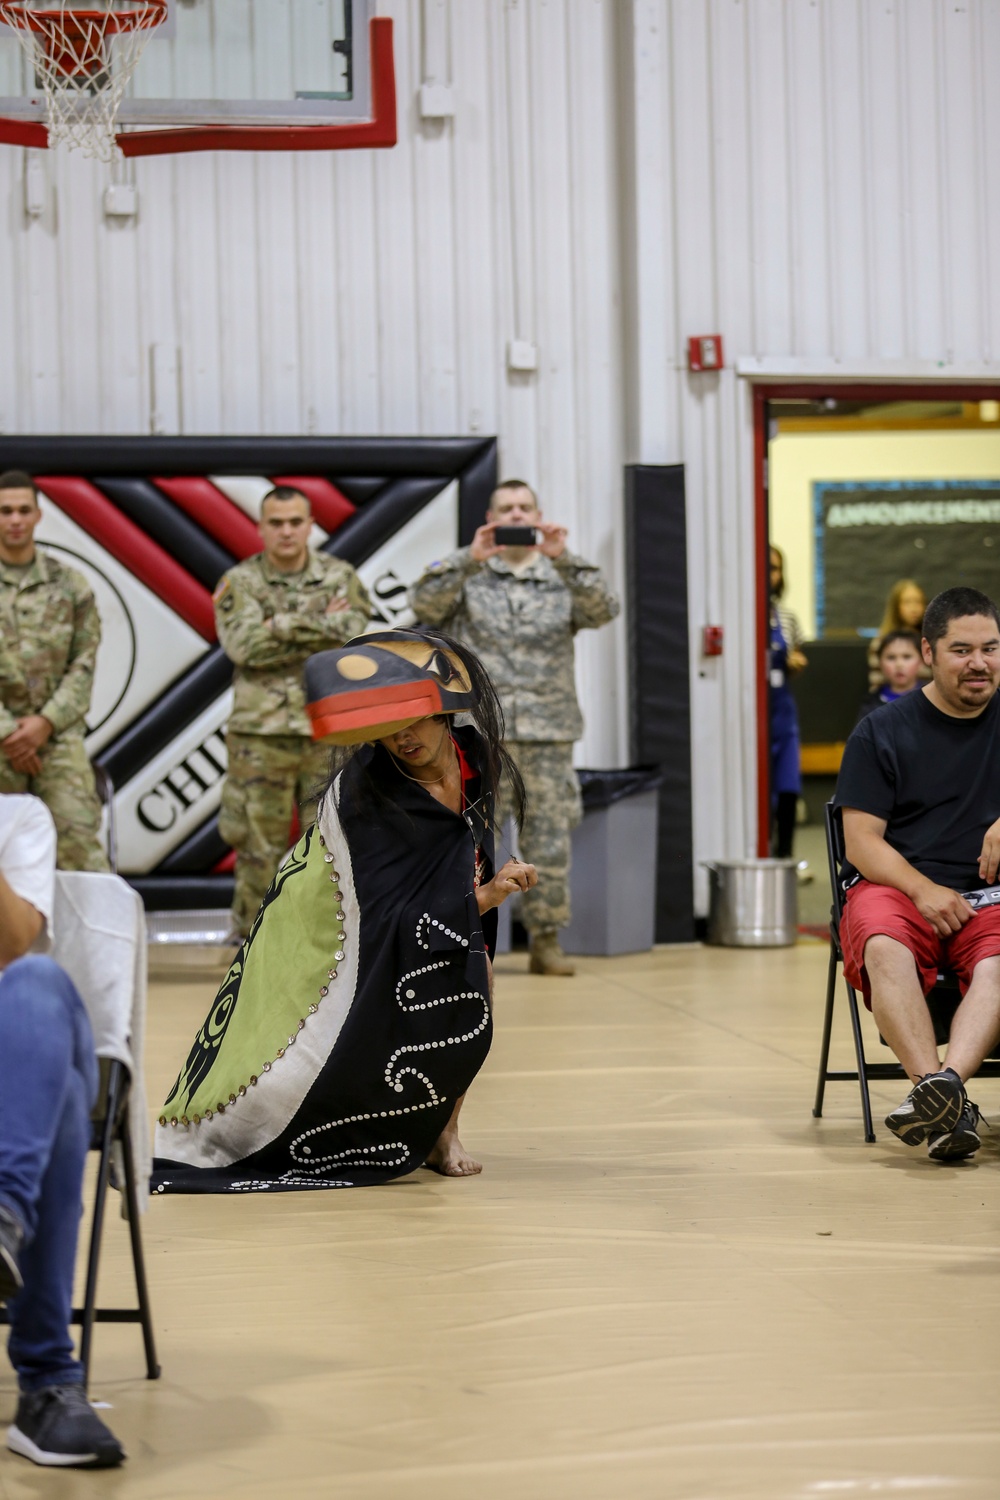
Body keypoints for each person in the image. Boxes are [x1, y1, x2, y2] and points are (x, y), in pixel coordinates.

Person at [152, 629, 536, 1191]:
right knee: (311, 1048)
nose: (403, 737)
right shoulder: (364, 793)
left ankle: (444, 1132)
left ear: (443, 712)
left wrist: (488, 881)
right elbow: (383, 911)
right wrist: (487, 896)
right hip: (327, 923)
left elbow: (462, 844)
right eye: (387, 727)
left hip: (453, 903)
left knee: (472, 994)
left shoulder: (474, 757)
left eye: (415, 720)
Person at [409, 479, 619, 976]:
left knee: (548, 836)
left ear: (539, 516)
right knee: (468, 833)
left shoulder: (561, 576)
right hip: (481, 730)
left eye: (526, 507)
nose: (517, 515)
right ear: (491, 518)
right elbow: (424, 605)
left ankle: (546, 938)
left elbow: (605, 607)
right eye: (507, 508)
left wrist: (564, 556)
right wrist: (469, 557)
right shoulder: (470, 575)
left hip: (548, 730)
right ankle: (460, 929)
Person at [835, 586, 1000, 1162]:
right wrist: (922, 889)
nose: (979, 663)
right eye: (962, 650)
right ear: (928, 653)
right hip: (896, 887)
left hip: (991, 897)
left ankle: (943, 1095)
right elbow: (861, 843)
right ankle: (941, 1092)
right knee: (883, 946)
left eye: (991, 648)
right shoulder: (881, 732)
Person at [0, 793, 124, 1467]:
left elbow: (13, 945)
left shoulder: (20, 818)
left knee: (40, 983)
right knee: (69, 1093)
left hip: (11, 1052)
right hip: (39, 1097)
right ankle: (48, 1385)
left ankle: (3, 1213)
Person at [214, 486, 372, 938]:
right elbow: (244, 647)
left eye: (295, 522)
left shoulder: (340, 576)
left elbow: (350, 637)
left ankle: (325, 941)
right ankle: (252, 940)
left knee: (328, 842)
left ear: (309, 525)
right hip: (260, 736)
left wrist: (278, 625)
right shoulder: (239, 582)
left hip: (327, 730)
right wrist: (317, 624)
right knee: (255, 844)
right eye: (276, 522)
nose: (286, 531)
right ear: (261, 527)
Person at [0, 472, 108, 873]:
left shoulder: (70, 584)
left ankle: (95, 937)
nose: (15, 519)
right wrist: (8, 731)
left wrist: (45, 723)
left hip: (57, 739)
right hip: (0, 739)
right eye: (5, 511)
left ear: (37, 515)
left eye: (23, 510)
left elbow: (84, 662)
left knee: (79, 837)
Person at [768, 546, 808, 873]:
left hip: (783, 713)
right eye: (767, 568)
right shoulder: (745, 615)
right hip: (756, 714)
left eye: (776, 569)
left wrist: (795, 663)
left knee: (787, 788)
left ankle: (785, 863)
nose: (772, 575)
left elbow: (793, 656)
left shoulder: (788, 619)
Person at [868, 579, 927, 690]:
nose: (914, 608)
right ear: (895, 606)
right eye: (907, 602)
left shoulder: (929, 640)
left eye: (918, 602)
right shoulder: (881, 641)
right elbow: (876, 683)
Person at [855, 629, 923, 724]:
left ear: (921, 660)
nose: (899, 664)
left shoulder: (933, 699)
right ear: (880, 663)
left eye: (907, 657)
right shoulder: (870, 704)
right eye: (891, 657)